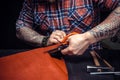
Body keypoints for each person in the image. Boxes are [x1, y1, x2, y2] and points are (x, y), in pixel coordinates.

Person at [16, 0, 120, 55]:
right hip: (53, 58)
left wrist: (88, 38)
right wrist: (44, 40)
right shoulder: (31, 1)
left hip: (90, 57)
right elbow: (21, 27)